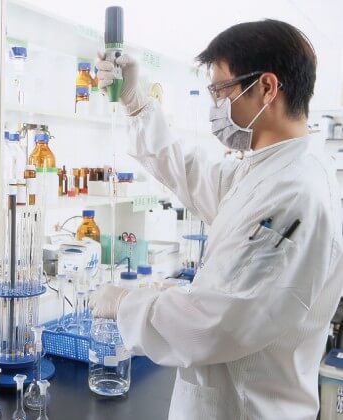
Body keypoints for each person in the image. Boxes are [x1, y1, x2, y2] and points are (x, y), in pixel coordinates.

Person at [89, 19, 343, 419]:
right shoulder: (268, 169)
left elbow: (216, 324)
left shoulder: (295, 192)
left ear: (266, 87)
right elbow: (192, 174)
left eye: (221, 90)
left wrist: (125, 304)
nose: (215, 107)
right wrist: (138, 105)